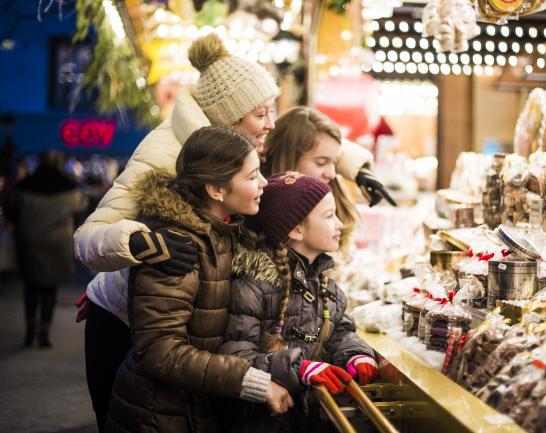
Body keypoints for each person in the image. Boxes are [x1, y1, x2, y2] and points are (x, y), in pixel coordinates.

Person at [74, 33, 384, 431]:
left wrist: (357, 165)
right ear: (229, 118)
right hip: (122, 316)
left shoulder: (242, 151)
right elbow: (90, 237)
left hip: (187, 329)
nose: (270, 123)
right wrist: (137, 246)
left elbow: (300, 128)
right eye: (261, 114)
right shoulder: (166, 154)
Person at [105, 125, 295, 433]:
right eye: (251, 177)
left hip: (191, 407)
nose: (263, 183)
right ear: (216, 190)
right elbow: (159, 351)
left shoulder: (224, 230)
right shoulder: (177, 246)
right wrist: (254, 382)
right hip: (157, 415)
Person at [218, 171, 377, 432]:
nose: (340, 224)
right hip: (261, 421)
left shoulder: (327, 287)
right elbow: (236, 356)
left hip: (307, 418)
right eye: (329, 216)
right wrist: (299, 368)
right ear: (296, 229)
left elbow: (340, 330)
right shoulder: (255, 285)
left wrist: (355, 354)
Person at [263, 107, 395, 251]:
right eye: (321, 162)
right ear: (289, 158)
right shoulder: (258, 205)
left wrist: (358, 166)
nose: (332, 174)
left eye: (334, 162)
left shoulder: (333, 191)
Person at [2, 150, 85, 347]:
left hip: (29, 240)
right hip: (58, 243)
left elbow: (11, 208)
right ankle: (44, 332)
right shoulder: (70, 187)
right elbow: (79, 213)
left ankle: (30, 329)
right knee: (50, 288)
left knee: (31, 286)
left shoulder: (24, 186)